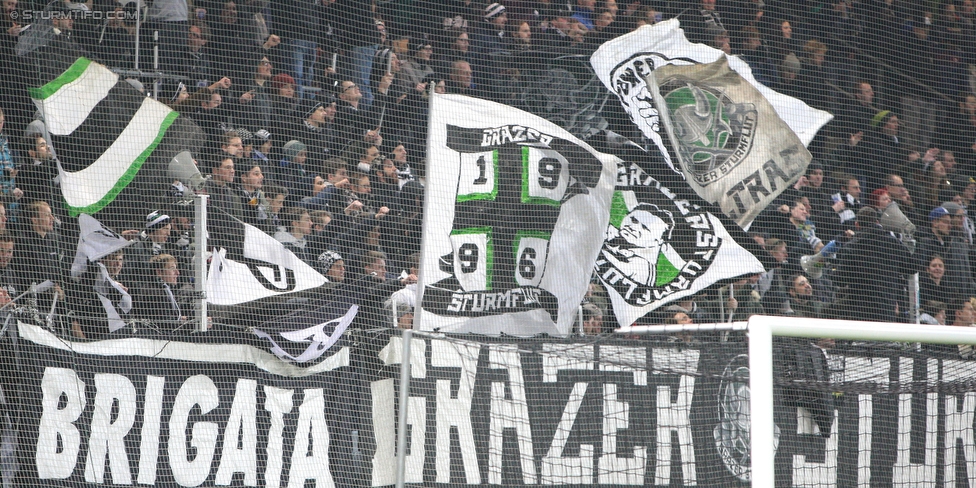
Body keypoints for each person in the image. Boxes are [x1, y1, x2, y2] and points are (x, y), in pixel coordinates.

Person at [133, 253, 186, 328]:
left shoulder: (164, 288)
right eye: (172, 268)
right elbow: (165, 324)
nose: (177, 273)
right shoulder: (153, 293)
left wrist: (183, 319)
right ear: (159, 272)